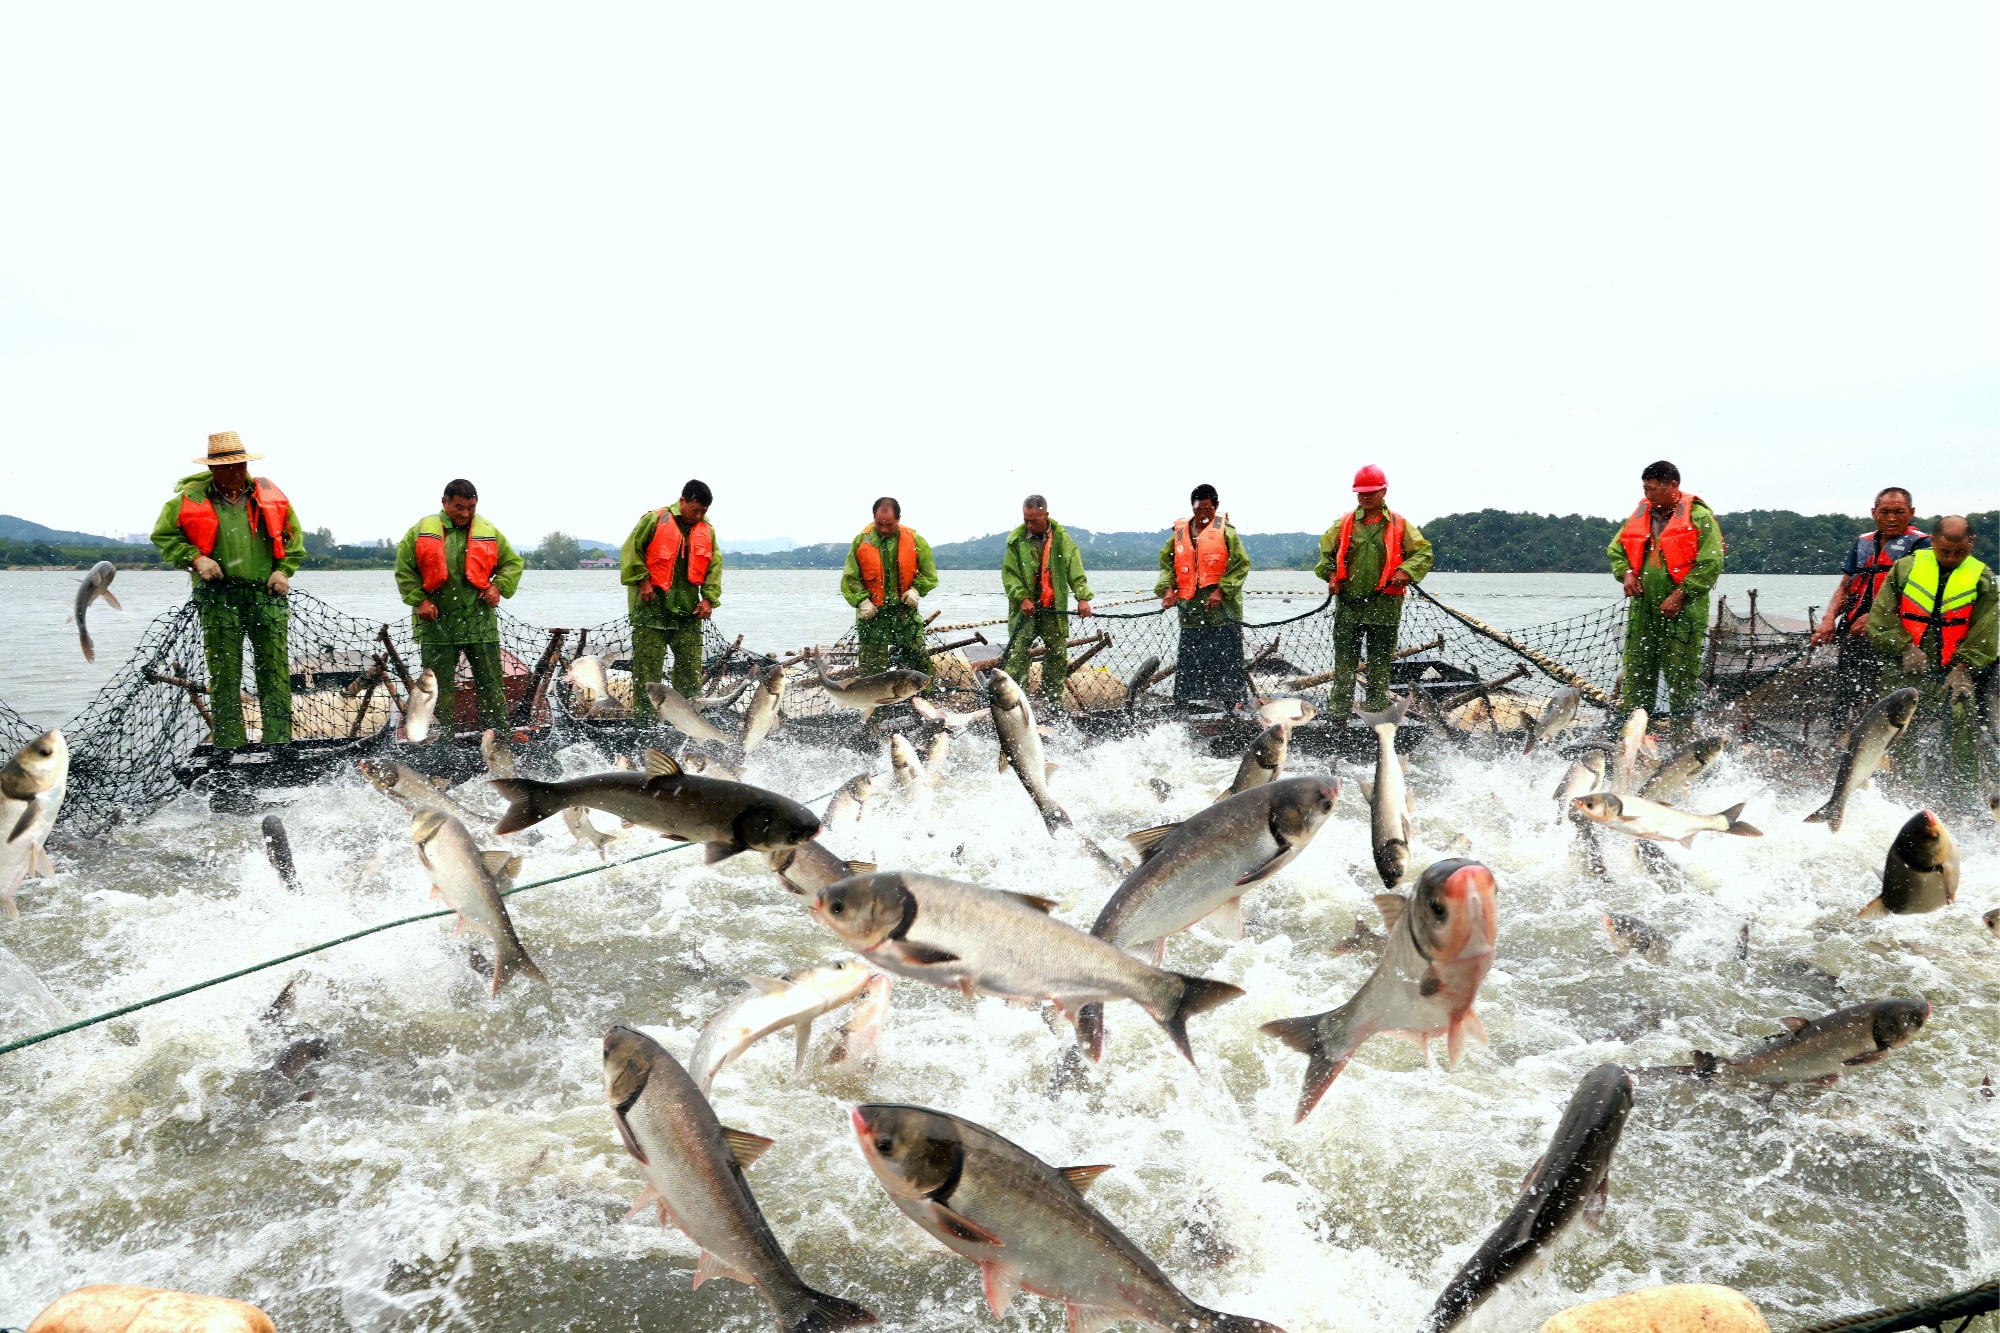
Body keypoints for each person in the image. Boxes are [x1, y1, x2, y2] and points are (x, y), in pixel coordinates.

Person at [151, 432, 305, 750]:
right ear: (212, 469)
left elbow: (294, 541)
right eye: (226, 467)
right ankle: (228, 745)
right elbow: (164, 537)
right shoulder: (185, 502)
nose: (235, 472)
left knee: (274, 672)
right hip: (218, 599)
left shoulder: (271, 499)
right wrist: (196, 558)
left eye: (239, 464)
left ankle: (279, 743)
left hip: (267, 597)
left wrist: (283, 570)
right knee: (224, 676)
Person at [1865, 514, 1994, 810]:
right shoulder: (1905, 568)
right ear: (1932, 541)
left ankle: (1961, 803)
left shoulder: (1983, 576)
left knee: (1963, 722)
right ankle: (1898, 799)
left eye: (1960, 552)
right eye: (1944, 551)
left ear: (1971, 544)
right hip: (1904, 666)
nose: (1951, 558)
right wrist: (1905, 646)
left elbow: (1986, 631)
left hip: (1953, 670)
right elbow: (1880, 619)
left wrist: (1964, 668)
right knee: (1898, 729)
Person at [394, 479, 525, 737]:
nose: (465, 513)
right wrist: (419, 599)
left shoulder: (489, 531)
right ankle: (444, 744)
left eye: (471, 507)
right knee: (438, 689)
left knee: (491, 683)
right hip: (436, 624)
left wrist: (498, 587)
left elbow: (512, 563)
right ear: (444, 503)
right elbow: (404, 570)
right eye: (459, 507)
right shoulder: (420, 531)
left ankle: (499, 738)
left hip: (479, 621)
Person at [1605, 460, 1724, 741]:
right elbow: (1616, 549)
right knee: (1636, 676)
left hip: (1683, 612)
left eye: (1655, 489)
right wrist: (1627, 574)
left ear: (1673, 486)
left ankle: (1681, 739)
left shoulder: (1698, 516)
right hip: (1642, 610)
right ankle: (1634, 741)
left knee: (1681, 679)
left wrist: (1681, 594)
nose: (1649, 494)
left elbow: (1711, 562)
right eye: (1646, 488)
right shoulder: (1641, 513)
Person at [1315, 465, 1434, 721]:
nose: (1365, 497)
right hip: (1349, 606)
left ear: (1383, 491)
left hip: (1385, 606)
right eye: (1361, 492)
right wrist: (1332, 576)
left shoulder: (1400, 524)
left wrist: (1406, 570)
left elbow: (1424, 552)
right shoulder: (1344, 523)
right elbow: (1325, 555)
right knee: (1344, 666)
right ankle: (1339, 717)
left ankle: (1378, 717)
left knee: (1380, 667)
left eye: (1371, 492)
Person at [1812, 488, 1929, 733]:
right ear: (1874, 513)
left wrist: (1876, 619)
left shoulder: (1922, 545)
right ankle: (1838, 743)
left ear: (1912, 513)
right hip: (1853, 630)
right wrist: (1828, 620)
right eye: (1885, 512)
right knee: (1846, 692)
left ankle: (1883, 748)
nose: (1892, 518)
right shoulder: (1863, 542)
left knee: (1882, 692)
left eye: (1899, 512)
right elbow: (1845, 586)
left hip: (1891, 633)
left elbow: (1920, 595)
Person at [619, 480, 722, 717]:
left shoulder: (708, 530)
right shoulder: (655, 519)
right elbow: (630, 551)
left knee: (689, 672)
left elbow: (714, 567)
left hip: (688, 614)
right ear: (682, 501)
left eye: (703, 512)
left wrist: (708, 598)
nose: (698, 515)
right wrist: (643, 580)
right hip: (650, 610)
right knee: (648, 674)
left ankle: (686, 726)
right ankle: (646, 725)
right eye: (695, 509)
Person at [1155, 484, 1251, 707]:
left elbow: (1241, 565)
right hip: (1191, 612)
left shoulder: (1227, 533)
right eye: (1199, 510)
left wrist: (1221, 590)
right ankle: (1185, 705)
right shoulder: (1179, 535)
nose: (1203, 515)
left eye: (1208, 510)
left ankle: (1230, 707)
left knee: (1226, 659)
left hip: (1223, 613)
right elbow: (1166, 564)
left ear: (1216, 507)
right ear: (1193, 508)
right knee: (1191, 660)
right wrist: (1168, 589)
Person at [1000, 495, 1094, 709]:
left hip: (1053, 610)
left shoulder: (1062, 539)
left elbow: (1075, 570)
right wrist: (1022, 598)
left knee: (1058, 654)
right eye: (1026, 520)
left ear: (1046, 515)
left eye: (1033, 520)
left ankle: (1052, 701)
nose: (1029, 525)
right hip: (1025, 611)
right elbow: (1009, 575)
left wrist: (1082, 598)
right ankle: (1015, 703)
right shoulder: (1015, 541)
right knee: (1018, 655)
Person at [841, 497, 937, 678]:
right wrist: (862, 601)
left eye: (889, 524)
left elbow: (929, 574)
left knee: (918, 660)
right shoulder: (861, 541)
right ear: (873, 518)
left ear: (898, 519)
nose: (884, 529)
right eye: (879, 524)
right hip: (873, 615)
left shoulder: (915, 539)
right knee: (872, 667)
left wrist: (916, 590)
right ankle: (876, 705)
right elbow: (850, 577)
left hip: (904, 612)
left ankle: (925, 697)